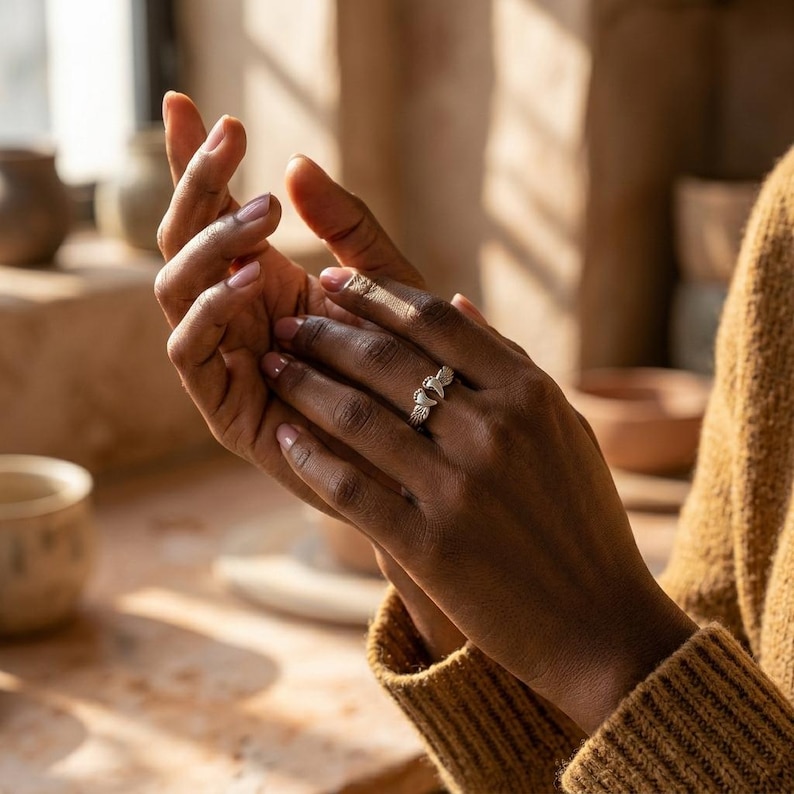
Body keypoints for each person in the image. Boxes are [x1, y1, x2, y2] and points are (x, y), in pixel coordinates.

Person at [155, 91, 794, 792]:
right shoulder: (786, 229)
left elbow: (664, 704)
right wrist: (425, 541)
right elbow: (696, 714)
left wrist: (607, 640)